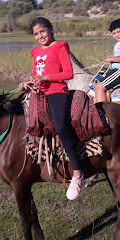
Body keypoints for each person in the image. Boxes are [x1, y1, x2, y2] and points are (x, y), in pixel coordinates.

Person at [21, 17, 83, 200]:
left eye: (42, 31)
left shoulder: (60, 46)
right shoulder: (36, 51)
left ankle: (78, 173)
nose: (40, 36)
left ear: (50, 29)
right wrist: (27, 82)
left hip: (57, 91)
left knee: (61, 127)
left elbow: (68, 73)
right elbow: (35, 74)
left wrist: (45, 77)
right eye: (36, 33)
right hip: (39, 91)